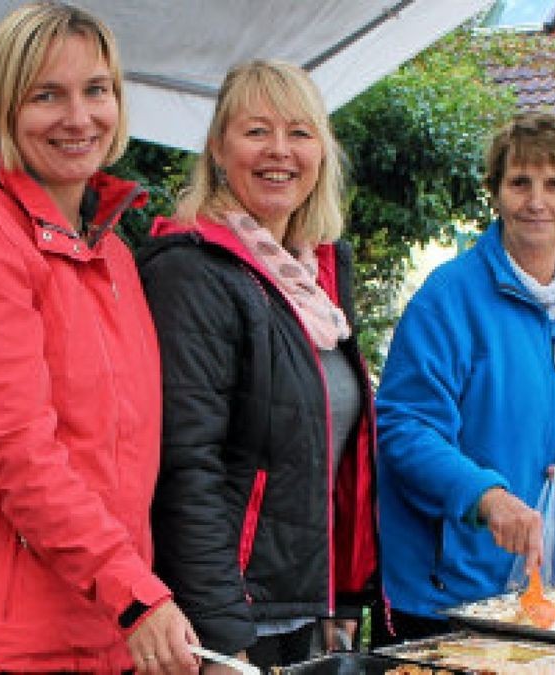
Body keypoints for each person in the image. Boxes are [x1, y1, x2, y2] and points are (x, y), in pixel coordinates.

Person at [0, 3, 198, 673]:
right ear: (4, 108)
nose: (79, 117)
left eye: (96, 90)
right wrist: (133, 592)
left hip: (101, 634)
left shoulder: (111, 251)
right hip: (0, 646)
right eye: (47, 95)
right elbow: (17, 451)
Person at [138, 60, 379, 671]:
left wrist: (338, 595)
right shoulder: (191, 271)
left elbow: (323, 458)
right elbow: (185, 467)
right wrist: (222, 638)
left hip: (294, 607)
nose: (280, 151)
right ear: (219, 146)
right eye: (256, 131)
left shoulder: (311, 278)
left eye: (299, 132)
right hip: (225, 617)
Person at [374, 110, 555, 641]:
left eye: (554, 184)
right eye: (520, 182)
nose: (536, 201)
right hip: (452, 595)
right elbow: (404, 428)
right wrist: (486, 497)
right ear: (495, 192)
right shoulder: (448, 298)